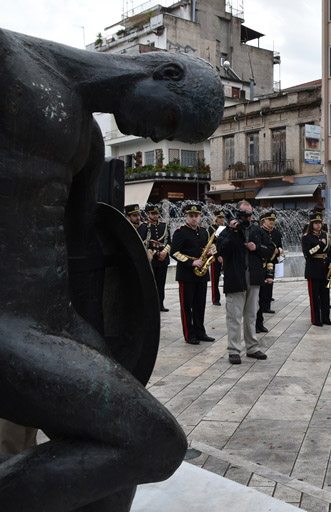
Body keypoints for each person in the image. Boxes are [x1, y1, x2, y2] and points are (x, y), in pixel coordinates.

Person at [0, 27, 222, 510]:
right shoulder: (9, 61)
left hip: (54, 322)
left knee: (113, 475)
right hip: (9, 322)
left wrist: (98, 335)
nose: (159, 135)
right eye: (169, 118)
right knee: (155, 444)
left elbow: (81, 251)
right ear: (166, 73)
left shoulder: (89, 138)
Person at [216, 201, 270, 364]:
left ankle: (252, 347)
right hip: (235, 279)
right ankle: (233, 350)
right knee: (234, 317)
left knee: (252, 315)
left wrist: (256, 247)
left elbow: (269, 250)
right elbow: (221, 251)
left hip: (253, 279)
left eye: (250, 214)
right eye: (244, 214)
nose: (247, 218)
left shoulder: (257, 230)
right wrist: (233, 231)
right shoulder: (226, 232)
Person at [171, 203, 217, 345]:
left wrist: (211, 251)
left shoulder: (204, 231)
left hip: (202, 274)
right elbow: (174, 253)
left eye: (196, 216)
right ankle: (189, 334)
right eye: (191, 216)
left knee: (200, 304)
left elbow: (212, 246)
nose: (194, 218)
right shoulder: (180, 232)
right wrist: (191, 263)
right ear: (187, 216)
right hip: (187, 274)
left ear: (200, 216)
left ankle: (200, 332)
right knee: (187, 306)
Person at [302, 212, 331, 327]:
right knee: (315, 296)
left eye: (319, 223)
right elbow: (308, 253)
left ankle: (326, 318)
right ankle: (316, 319)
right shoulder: (307, 237)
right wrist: (319, 245)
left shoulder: (325, 235)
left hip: (325, 269)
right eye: (316, 223)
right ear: (311, 224)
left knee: (325, 295)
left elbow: (329, 251)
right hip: (313, 269)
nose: (318, 225)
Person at [139, 204, 171, 312]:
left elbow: (169, 242)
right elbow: (144, 243)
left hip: (163, 259)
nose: (155, 216)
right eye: (153, 214)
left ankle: (160, 303)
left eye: (157, 213)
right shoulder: (144, 227)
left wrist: (164, 253)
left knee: (161, 283)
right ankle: (151, 304)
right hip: (152, 259)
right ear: (148, 214)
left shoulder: (164, 226)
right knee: (152, 283)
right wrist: (157, 253)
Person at [256, 210, 281, 332]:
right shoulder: (259, 232)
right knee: (258, 294)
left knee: (269, 285)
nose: (272, 222)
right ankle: (256, 322)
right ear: (263, 221)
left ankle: (265, 309)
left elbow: (280, 246)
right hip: (260, 264)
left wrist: (278, 251)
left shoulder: (276, 233)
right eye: (269, 220)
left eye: (273, 220)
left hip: (271, 262)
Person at [208, 211, 227, 306]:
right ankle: (215, 298)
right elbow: (211, 244)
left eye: (222, 218)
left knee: (228, 277)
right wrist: (217, 255)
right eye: (220, 218)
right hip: (215, 257)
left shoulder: (226, 228)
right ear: (216, 218)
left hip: (225, 256)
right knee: (215, 279)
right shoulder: (211, 228)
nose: (221, 220)